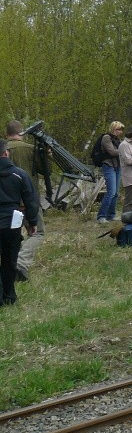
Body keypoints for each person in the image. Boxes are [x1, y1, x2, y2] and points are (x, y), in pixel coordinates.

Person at [0, 139, 40, 307]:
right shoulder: (19, 174)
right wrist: (32, 222)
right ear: (5, 153)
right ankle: (9, 295)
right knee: (9, 260)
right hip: (12, 222)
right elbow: (31, 201)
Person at [6, 121, 44, 282]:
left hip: (7, 201)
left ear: (6, 133)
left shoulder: (4, 149)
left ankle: (10, 265)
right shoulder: (30, 149)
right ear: (22, 132)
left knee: (11, 235)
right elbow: (44, 170)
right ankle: (20, 263)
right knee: (37, 232)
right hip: (29, 199)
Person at [96, 121, 125, 222]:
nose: (120, 131)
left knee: (116, 193)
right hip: (108, 165)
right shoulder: (106, 138)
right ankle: (101, 216)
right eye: (118, 129)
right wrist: (124, 151)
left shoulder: (118, 140)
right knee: (111, 192)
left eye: (121, 130)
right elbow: (112, 152)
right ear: (113, 129)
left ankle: (111, 215)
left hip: (117, 166)